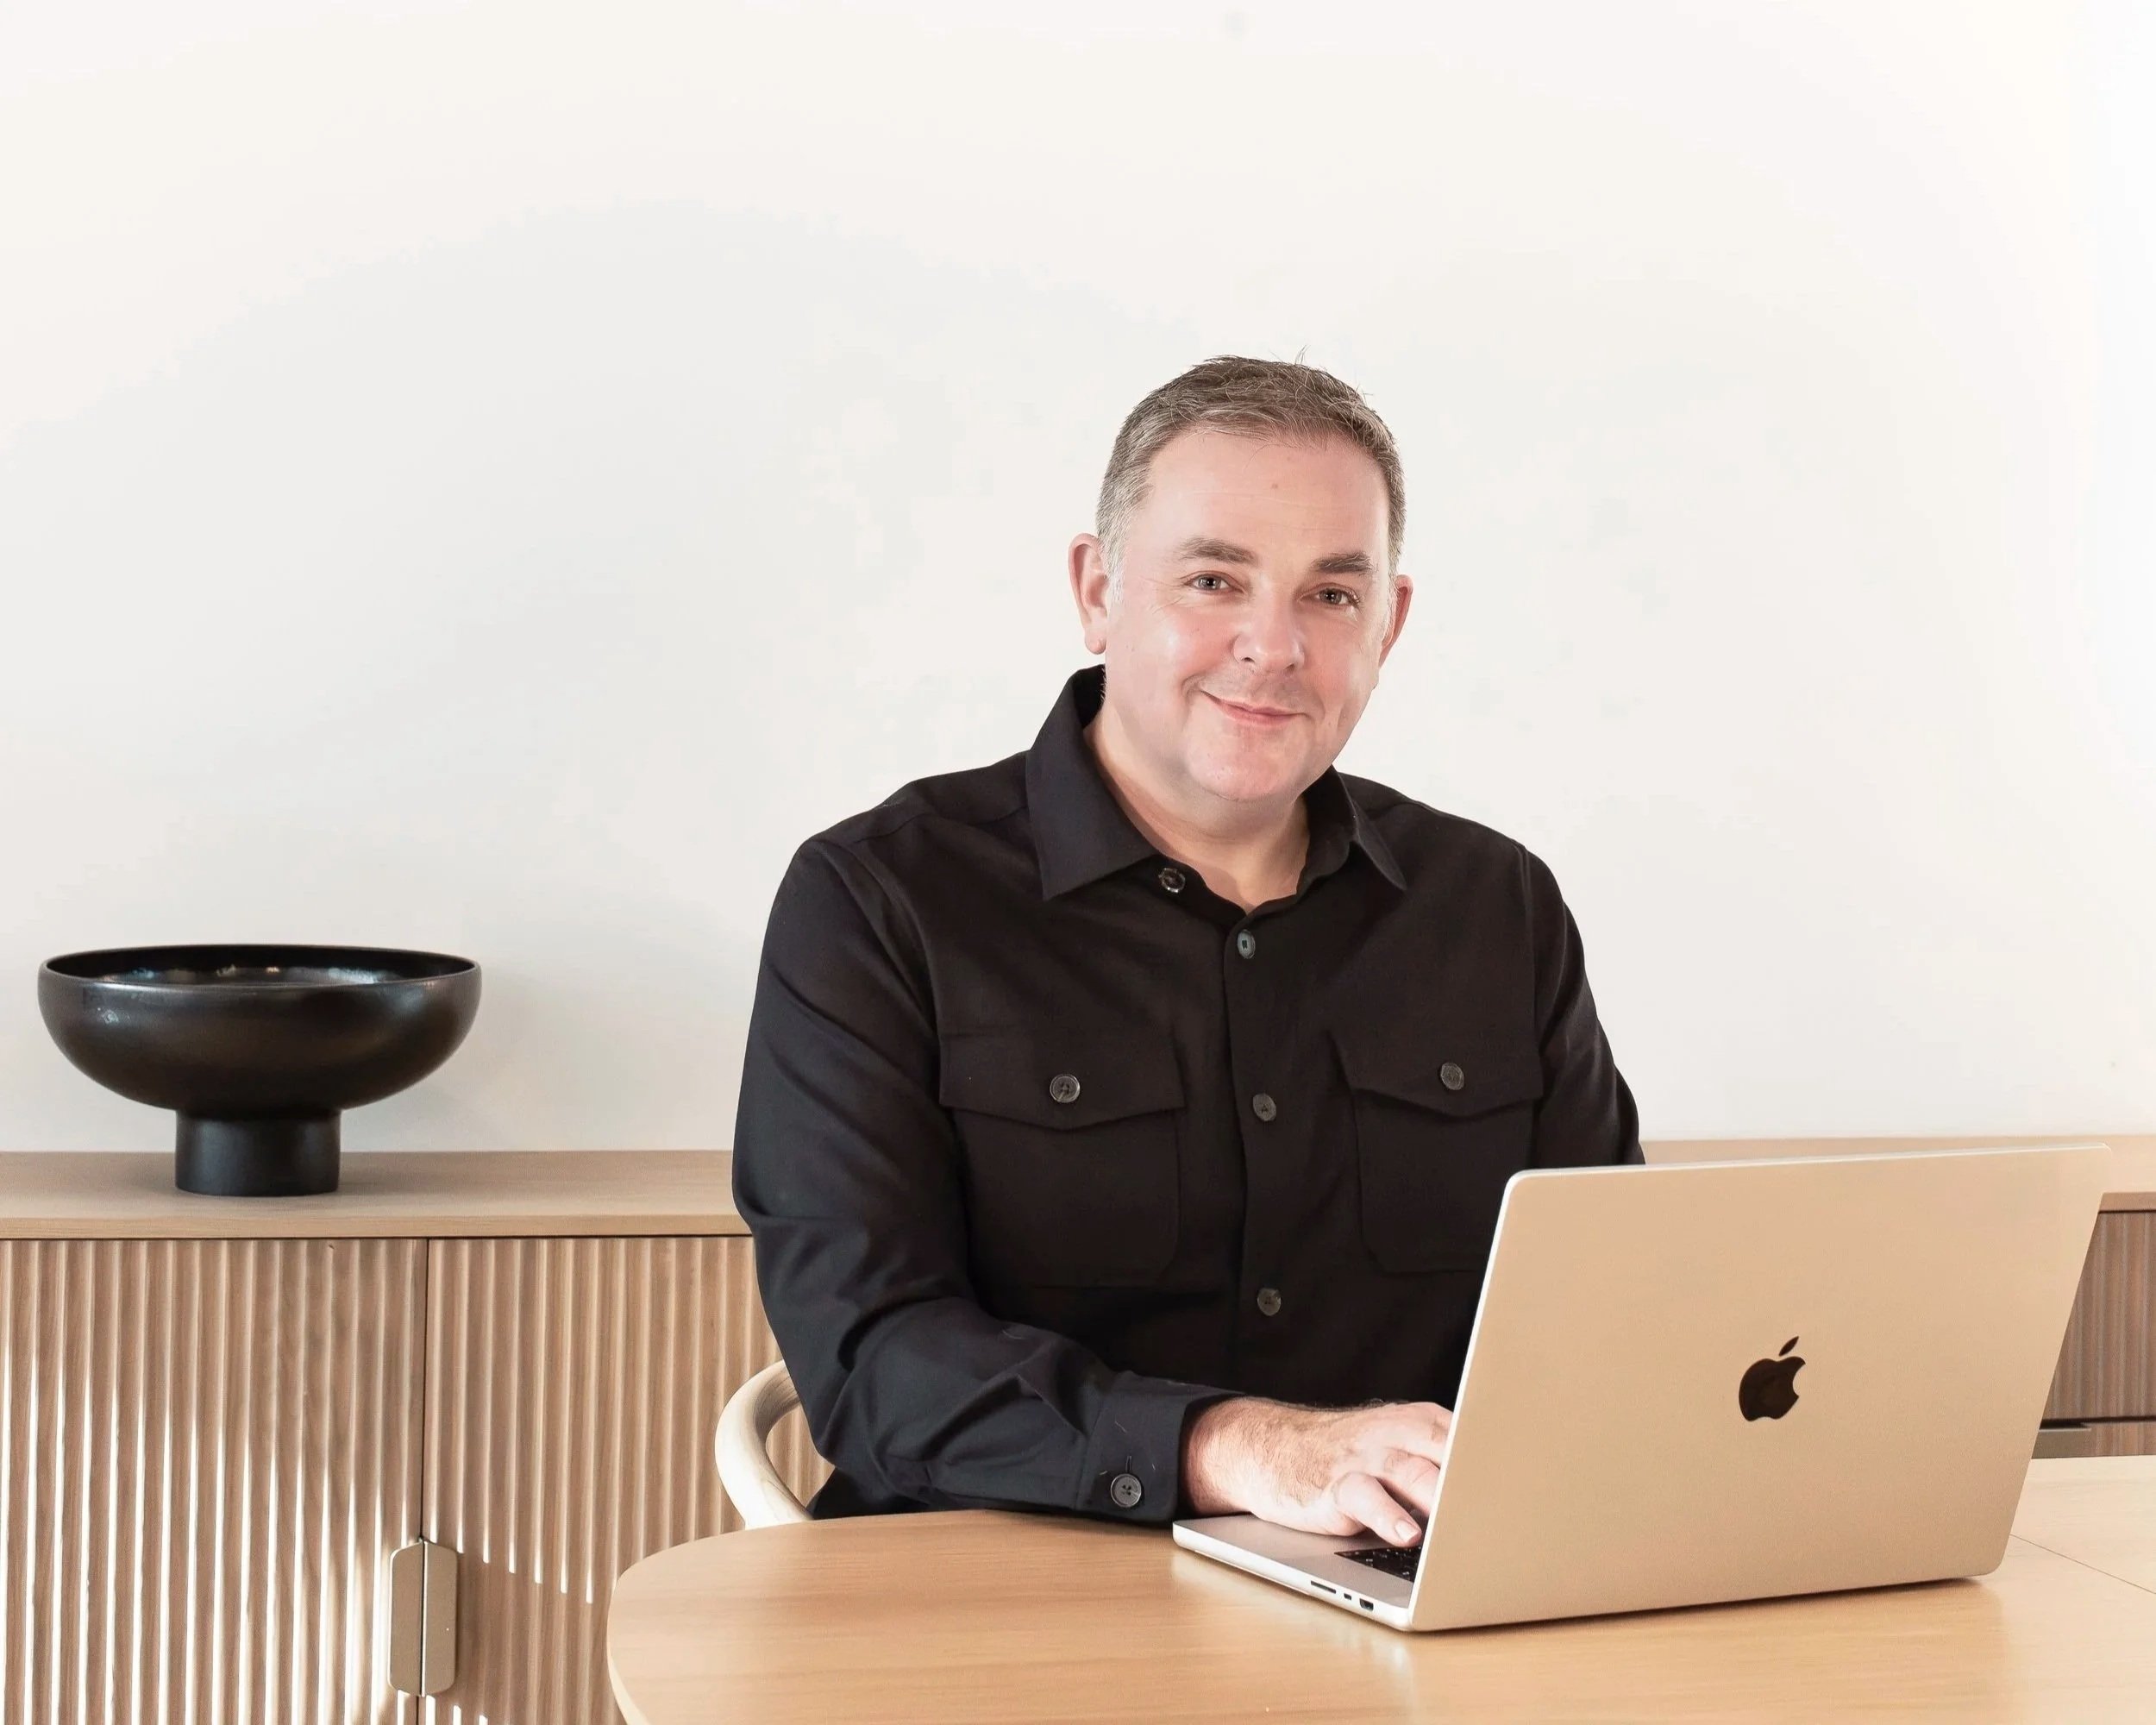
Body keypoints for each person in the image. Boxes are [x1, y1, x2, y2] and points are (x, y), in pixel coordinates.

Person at [733, 356, 1641, 1552]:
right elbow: (872, 1359)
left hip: (1408, 1608)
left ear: (1390, 626)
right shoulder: (877, 900)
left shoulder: (1496, 907)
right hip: (999, 1599)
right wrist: (1242, 1452)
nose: (1272, 648)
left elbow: (1604, 1304)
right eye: (1216, 580)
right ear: (1098, 591)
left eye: (1331, 595)